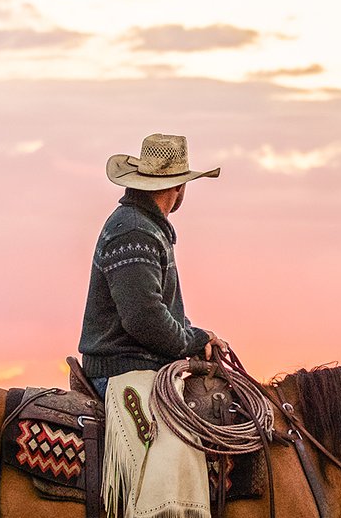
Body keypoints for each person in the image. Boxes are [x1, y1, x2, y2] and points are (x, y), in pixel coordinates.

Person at [78, 133, 230, 397]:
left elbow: (156, 312)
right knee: (177, 438)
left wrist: (196, 337)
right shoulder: (136, 231)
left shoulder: (143, 226)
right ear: (179, 186)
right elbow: (144, 318)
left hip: (133, 370)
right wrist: (194, 340)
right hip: (122, 373)